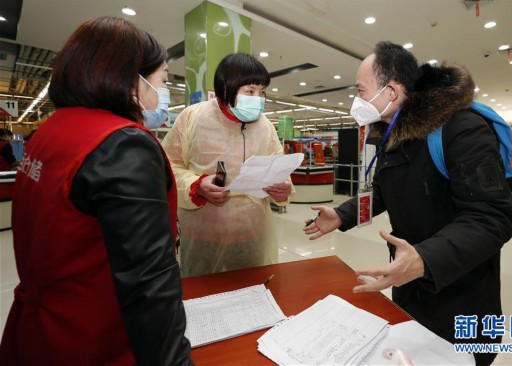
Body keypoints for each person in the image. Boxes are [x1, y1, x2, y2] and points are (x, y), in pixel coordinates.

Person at [303, 41, 512, 365]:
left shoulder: (460, 129)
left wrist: (426, 258)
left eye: (361, 91)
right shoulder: (389, 135)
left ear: (390, 91)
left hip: (463, 297)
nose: (356, 101)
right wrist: (342, 215)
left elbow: (492, 217)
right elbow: (385, 190)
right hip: (408, 286)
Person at [0, 17, 193, 366]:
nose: (164, 94)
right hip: (100, 341)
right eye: (163, 81)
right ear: (132, 81)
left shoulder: (51, 131)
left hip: (42, 329)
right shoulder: (123, 145)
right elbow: (148, 285)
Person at [162, 52, 293, 277]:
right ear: (226, 89)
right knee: (204, 297)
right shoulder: (193, 117)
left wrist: (283, 189)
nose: (258, 99)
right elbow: (167, 165)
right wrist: (197, 185)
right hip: (203, 234)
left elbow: (279, 169)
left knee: (253, 291)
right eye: (250, 91)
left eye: (262, 92)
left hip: (253, 234)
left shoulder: (266, 127)